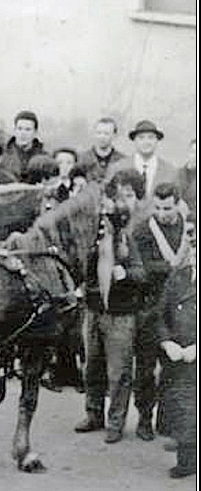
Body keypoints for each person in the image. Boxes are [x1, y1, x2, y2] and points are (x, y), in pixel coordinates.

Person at [77, 169, 146, 443]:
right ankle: (94, 413)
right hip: (94, 310)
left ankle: (116, 422)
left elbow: (144, 273)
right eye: (115, 195)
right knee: (91, 366)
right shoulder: (97, 228)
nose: (119, 202)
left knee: (118, 373)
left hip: (121, 314)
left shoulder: (135, 231)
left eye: (126, 195)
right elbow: (85, 264)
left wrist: (126, 274)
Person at [130, 183, 188, 441]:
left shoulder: (188, 229)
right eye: (158, 207)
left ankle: (170, 421)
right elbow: (141, 267)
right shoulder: (144, 229)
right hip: (149, 305)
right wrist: (171, 266)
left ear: (178, 204)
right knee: (144, 368)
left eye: (167, 207)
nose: (162, 213)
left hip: (178, 309)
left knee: (175, 368)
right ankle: (144, 418)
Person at [155, 223, 197, 478]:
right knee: (180, 404)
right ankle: (187, 449)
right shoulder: (179, 278)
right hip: (178, 355)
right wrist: (166, 341)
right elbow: (160, 315)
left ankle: (189, 454)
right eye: (195, 247)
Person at [109, 120, 178, 198]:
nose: (146, 142)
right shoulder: (118, 167)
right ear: (134, 141)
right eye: (141, 138)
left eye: (151, 137)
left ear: (157, 140)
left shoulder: (170, 171)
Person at [0, 110, 46, 181]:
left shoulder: (44, 158)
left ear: (35, 133)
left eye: (28, 129)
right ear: (14, 131)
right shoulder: (1, 155)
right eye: (20, 129)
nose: (23, 133)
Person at [78, 116, 126, 184]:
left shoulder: (122, 160)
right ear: (94, 134)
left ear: (114, 135)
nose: (102, 137)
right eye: (99, 133)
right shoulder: (82, 159)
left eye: (106, 133)